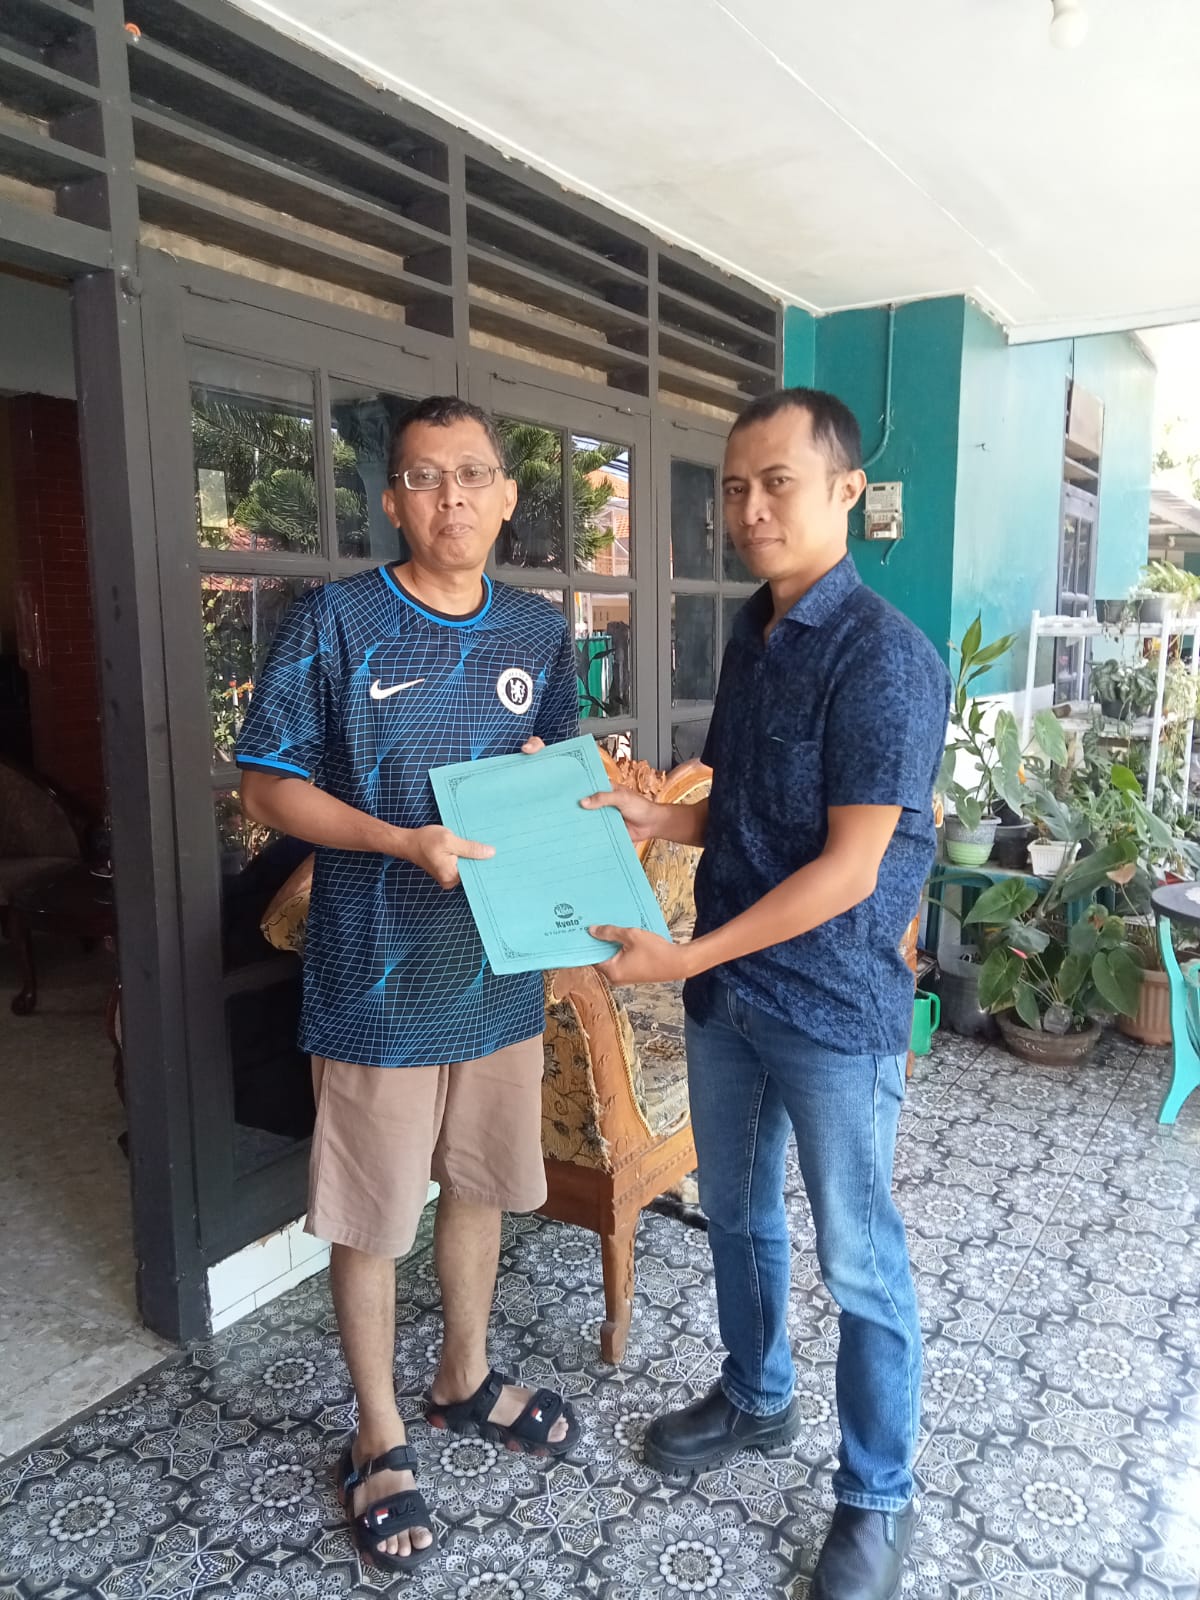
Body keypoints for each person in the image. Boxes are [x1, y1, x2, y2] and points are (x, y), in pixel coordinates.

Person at [585, 388, 951, 1600]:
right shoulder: (752, 634)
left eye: (777, 483)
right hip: (731, 999)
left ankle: (877, 1496)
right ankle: (756, 1393)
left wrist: (684, 957)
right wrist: (658, 817)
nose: (749, 508)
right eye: (734, 488)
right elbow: (745, 811)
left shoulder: (884, 658)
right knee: (738, 1215)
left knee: (860, 1258)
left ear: (846, 490)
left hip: (833, 1011)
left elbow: (849, 869)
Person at [237, 396, 581, 1576]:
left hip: (497, 967)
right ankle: (377, 1430)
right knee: (374, 1214)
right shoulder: (336, 621)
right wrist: (398, 840)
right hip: (374, 973)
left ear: (507, 496)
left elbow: (559, 772)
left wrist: (554, 785)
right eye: (426, 478)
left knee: (480, 1183)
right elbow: (265, 785)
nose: (452, 498)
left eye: (473, 474)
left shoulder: (538, 631)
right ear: (393, 499)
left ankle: (462, 1377)